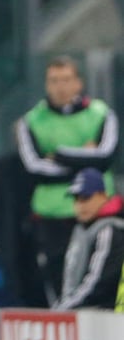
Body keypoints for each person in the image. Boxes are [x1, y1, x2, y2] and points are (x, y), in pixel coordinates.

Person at [17, 56, 119, 306]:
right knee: (60, 284)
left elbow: (105, 156)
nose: (60, 86)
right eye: (54, 80)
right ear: (46, 84)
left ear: (78, 83)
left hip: (99, 213)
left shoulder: (101, 114)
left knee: (102, 279)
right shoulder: (30, 121)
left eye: (66, 80)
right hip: (52, 217)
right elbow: (34, 168)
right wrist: (85, 157)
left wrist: (60, 155)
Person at [52, 167, 124, 310]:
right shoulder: (80, 228)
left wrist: (63, 310)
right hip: (80, 312)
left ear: (102, 195)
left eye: (86, 198)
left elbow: (97, 282)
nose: (80, 205)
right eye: (76, 199)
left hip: (103, 317)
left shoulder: (109, 230)